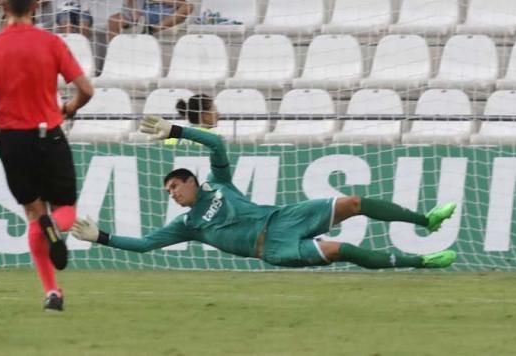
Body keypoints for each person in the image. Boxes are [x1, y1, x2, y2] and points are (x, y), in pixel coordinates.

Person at [72, 115, 458, 270]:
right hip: (271, 247)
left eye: (175, 186)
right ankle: (422, 262)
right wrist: (100, 237)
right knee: (340, 250)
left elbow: (218, 145)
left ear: (191, 181)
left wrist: (177, 131)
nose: (172, 194)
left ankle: (427, 219)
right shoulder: (186, 224)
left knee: (353, 202)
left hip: (282, 217)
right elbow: (142, 245)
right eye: (168, 191)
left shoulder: (219, 184)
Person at [0, 0, 95, 311]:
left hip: (12, 140)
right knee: (65, 210)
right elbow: (87, 90)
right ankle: (54, 229)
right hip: (47, 133)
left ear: (2, 5)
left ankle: (52, 292)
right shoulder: (51, 43)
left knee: (34, 212)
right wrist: (69, 107)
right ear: (37, 5)